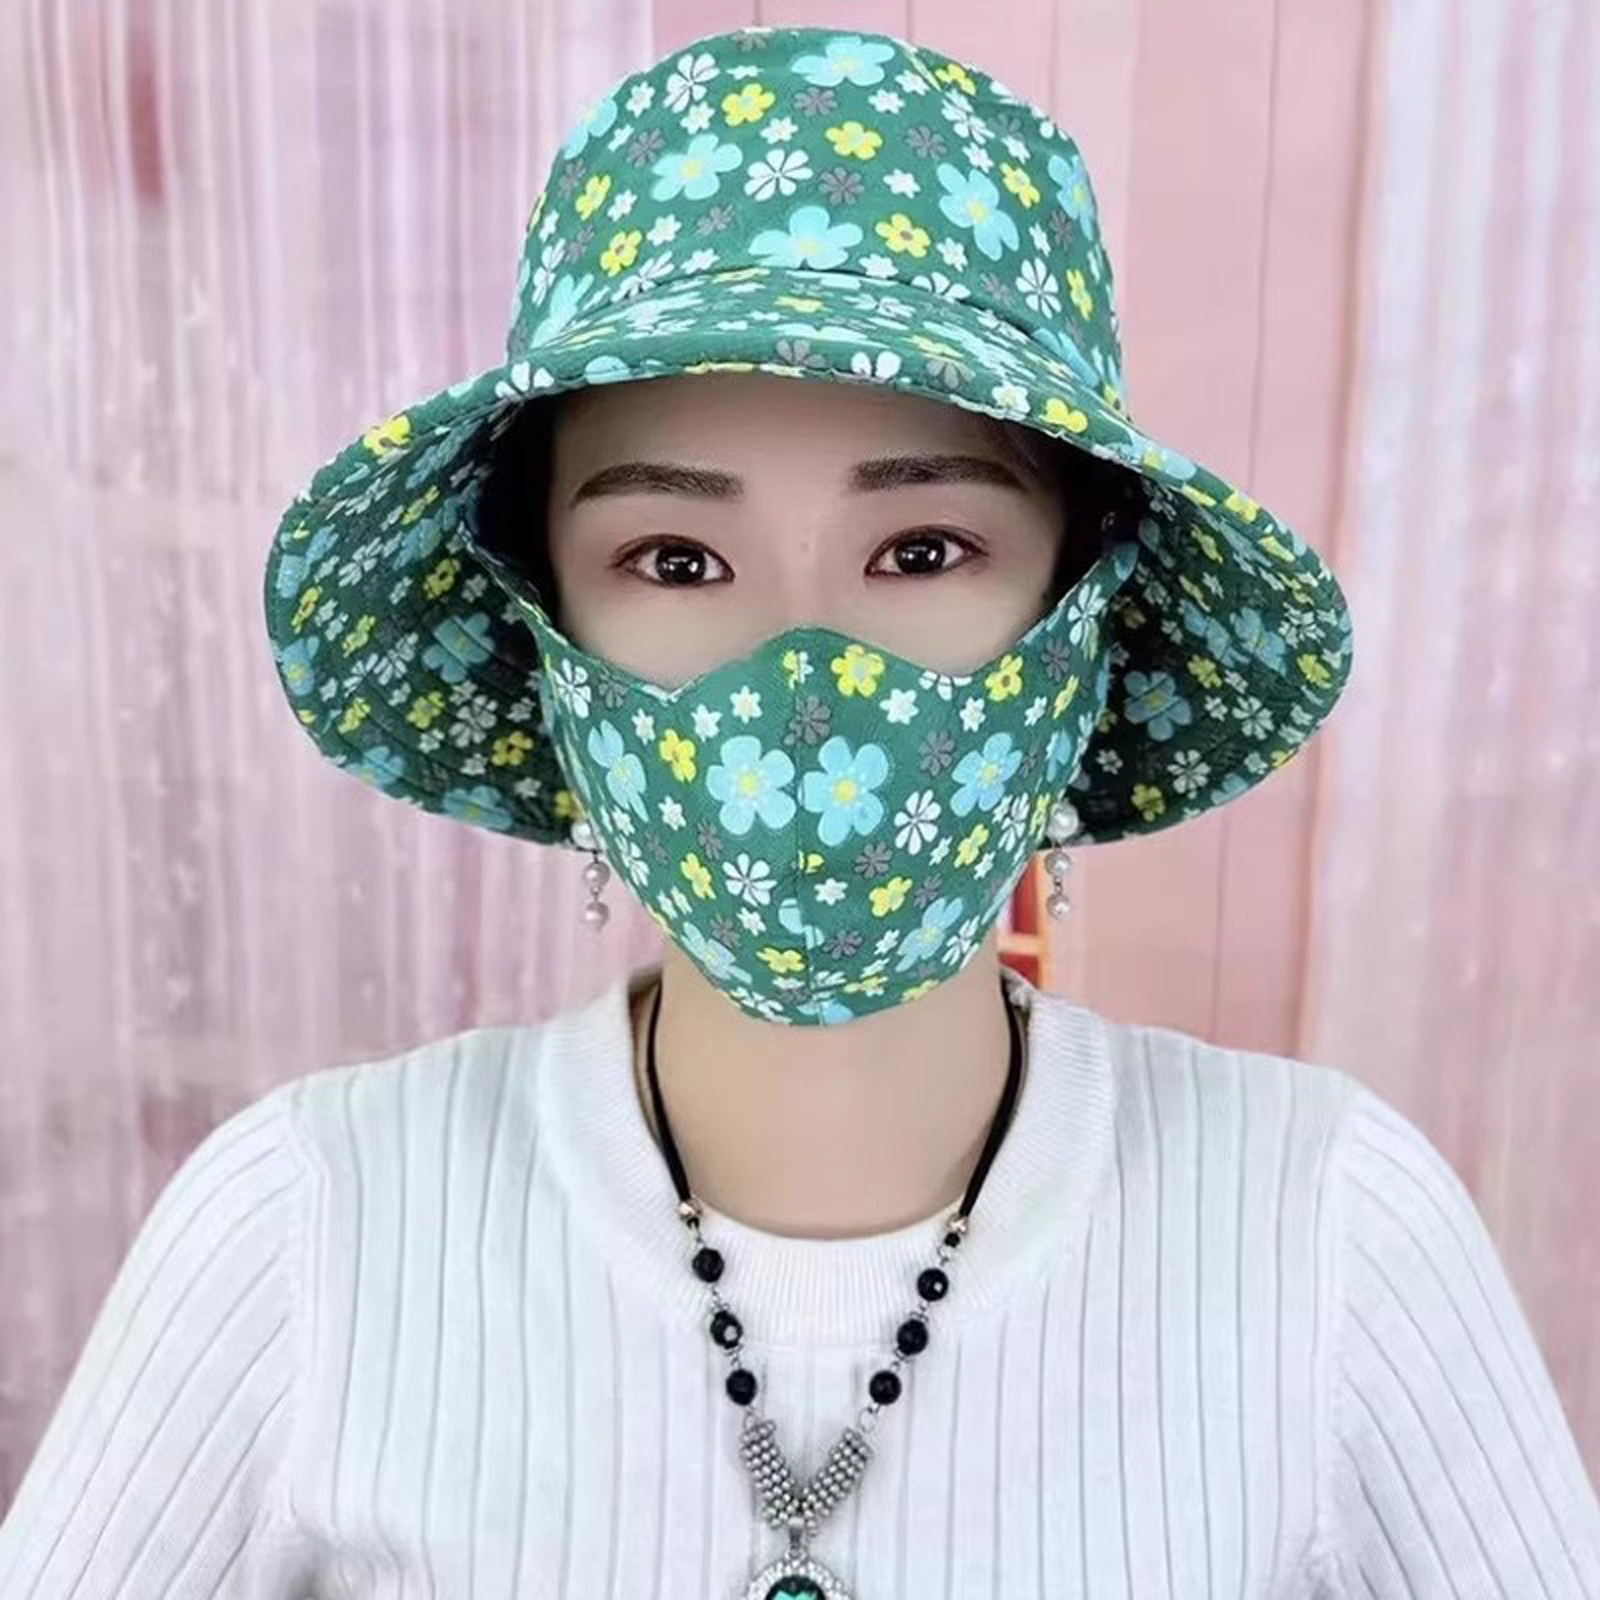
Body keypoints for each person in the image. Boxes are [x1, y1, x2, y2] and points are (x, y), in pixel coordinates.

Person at [2, 22, 1597, 1600]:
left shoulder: (1329, 1226)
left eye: (923, 550)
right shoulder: (310, 1225)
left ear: (1086, 614)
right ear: (542, 626)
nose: (804, 677)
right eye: (675, 560)